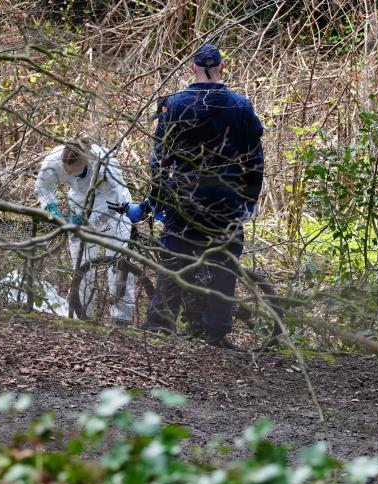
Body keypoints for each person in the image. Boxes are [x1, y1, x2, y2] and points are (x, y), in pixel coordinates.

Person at [138, 42, 265, 348]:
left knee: (173, 258)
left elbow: (160, 160)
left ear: (192, 68)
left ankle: (160, 326)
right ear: (222, 68)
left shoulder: (174, 104)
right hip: (225, 197)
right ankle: (216, 332)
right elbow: (254, 159)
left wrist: (156, 200)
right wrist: (249, 198)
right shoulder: (240, 106)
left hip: (184, 194)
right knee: (223, 264)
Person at [35, 140, 135, 325]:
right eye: (67, 171)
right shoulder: (52, 161)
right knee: (82, 262)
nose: (70, 174)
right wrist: (52, 209)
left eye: (74, 170)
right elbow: (43, 188)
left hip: (112, 205)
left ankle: (121, 317)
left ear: (88, 161)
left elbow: (117, 197)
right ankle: (80, 311)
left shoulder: (106, 161)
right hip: (80, 203)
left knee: (118, 260)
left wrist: (91, 221)